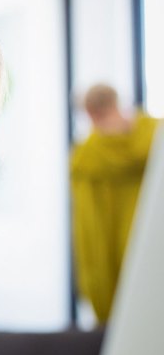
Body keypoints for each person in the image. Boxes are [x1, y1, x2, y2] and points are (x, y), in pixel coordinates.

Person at [71, 83, 159, 324]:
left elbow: (89, 232)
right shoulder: (156, 138)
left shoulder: (87, 159)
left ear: (90, 113)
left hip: (116, 277)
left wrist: (97, 290)